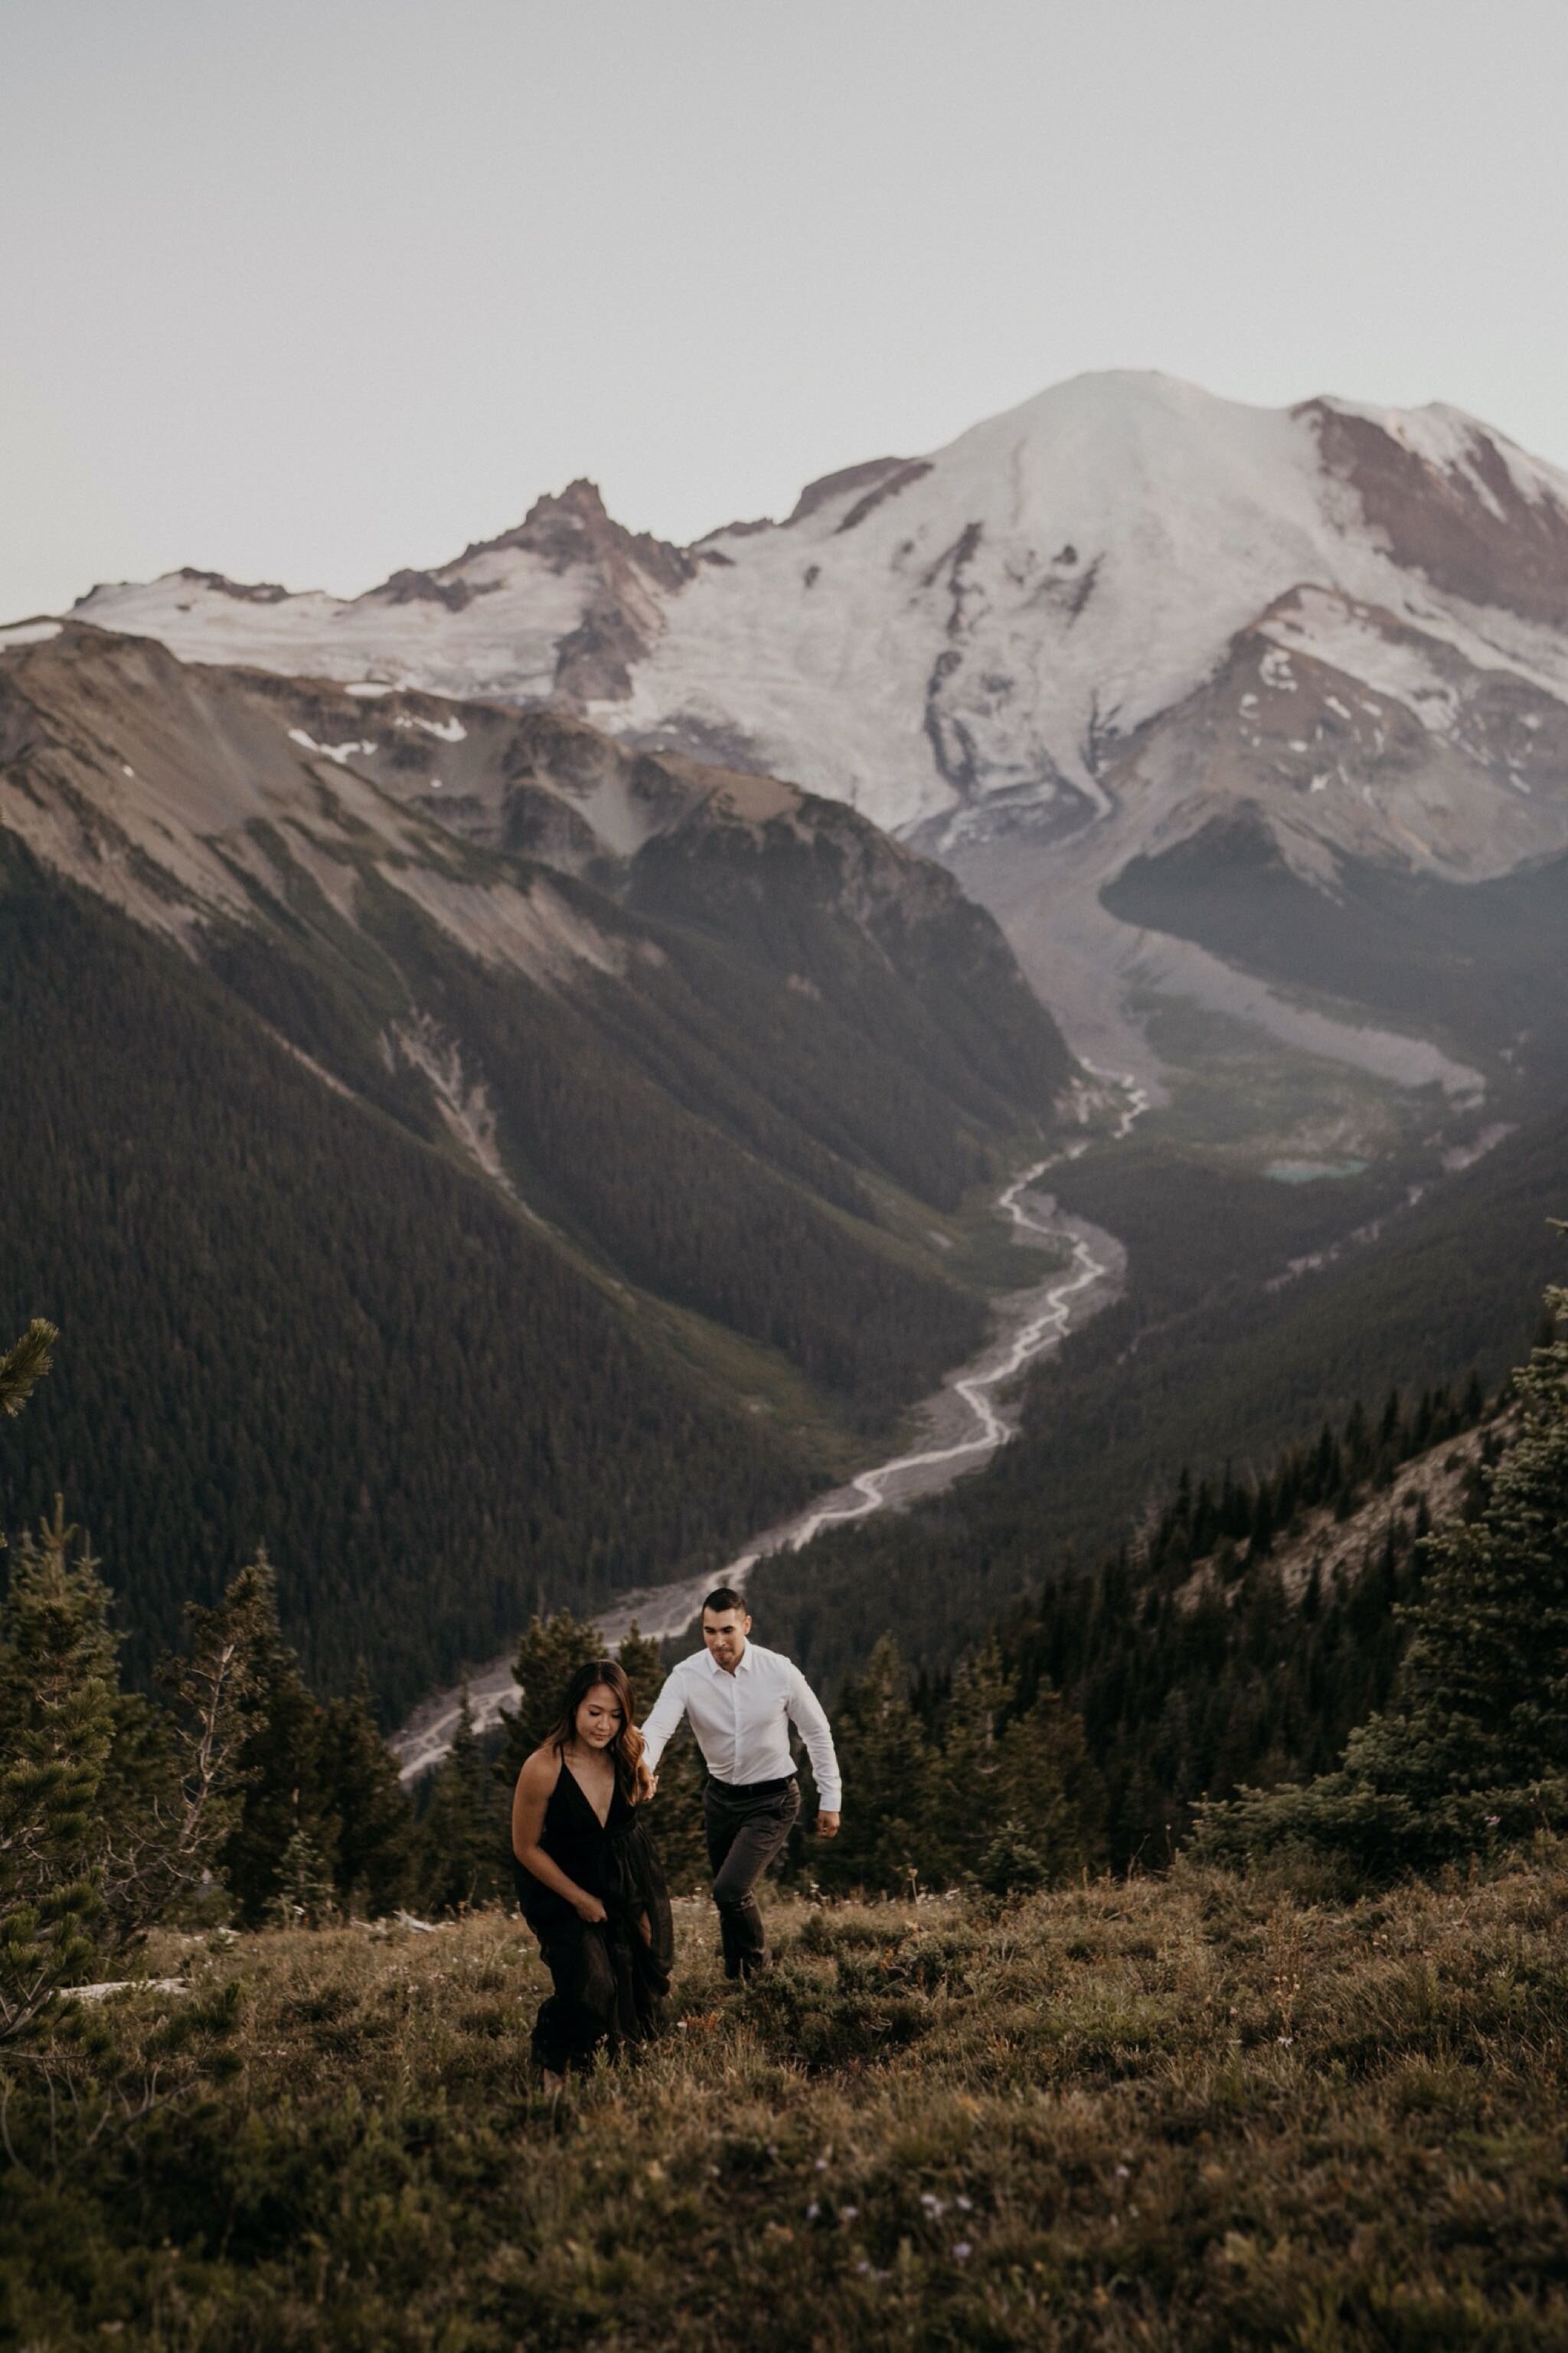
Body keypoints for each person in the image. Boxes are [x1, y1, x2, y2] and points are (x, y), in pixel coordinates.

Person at [639, 1587, 841, 1981]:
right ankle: (737, 1978)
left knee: (730, 1890)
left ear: (746, 1626)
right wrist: (644, 1767)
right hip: (720, 1799)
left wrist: (830, 1798)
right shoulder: (687, 1676)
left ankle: (761, 1976)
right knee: (728, 1897)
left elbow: (817, 1732)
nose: (718, 1641)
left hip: (774, 1798)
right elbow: (658, 1729)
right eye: (709, 1631)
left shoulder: (779, 1671)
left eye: (727, 1630)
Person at [511, 1658, 673, 2089]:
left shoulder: (628, 1747)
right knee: (593, 1982)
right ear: (574, 1709)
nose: (604, 1726)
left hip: (625, 1874)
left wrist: (644, 1778)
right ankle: (550, 2061)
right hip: (564, 1886)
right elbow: (524, 1848)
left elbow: (640, 1782)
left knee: (640, 1969)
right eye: (594, 1713)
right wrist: (580, 1899)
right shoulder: (544, 1767)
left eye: (616, 1715)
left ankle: (609, 2063)